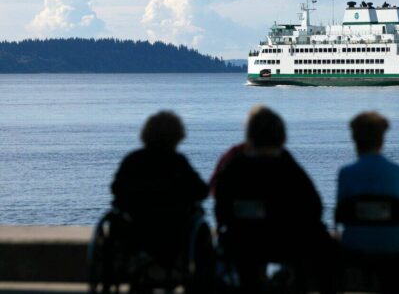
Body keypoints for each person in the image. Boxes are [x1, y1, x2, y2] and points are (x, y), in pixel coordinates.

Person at [214, 106, 334, 293]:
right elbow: (314, 207)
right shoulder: (288, 167)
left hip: (242, 243)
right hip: (285, 243)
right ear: (282, 137)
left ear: (249, 137)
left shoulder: (234, 168)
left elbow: (220, 209)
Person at [111, 110, 209, 268]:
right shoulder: (178, 162)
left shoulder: (133, 160)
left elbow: (116, 189)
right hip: (174, 232)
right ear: (177, 136)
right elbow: (201, 191)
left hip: (137, 230)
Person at [337, 111, 399, 254]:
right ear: (382, 139)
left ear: (354, 138)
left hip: (355, 247)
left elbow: (341, 214)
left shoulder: (346, 173)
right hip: (397, 248)